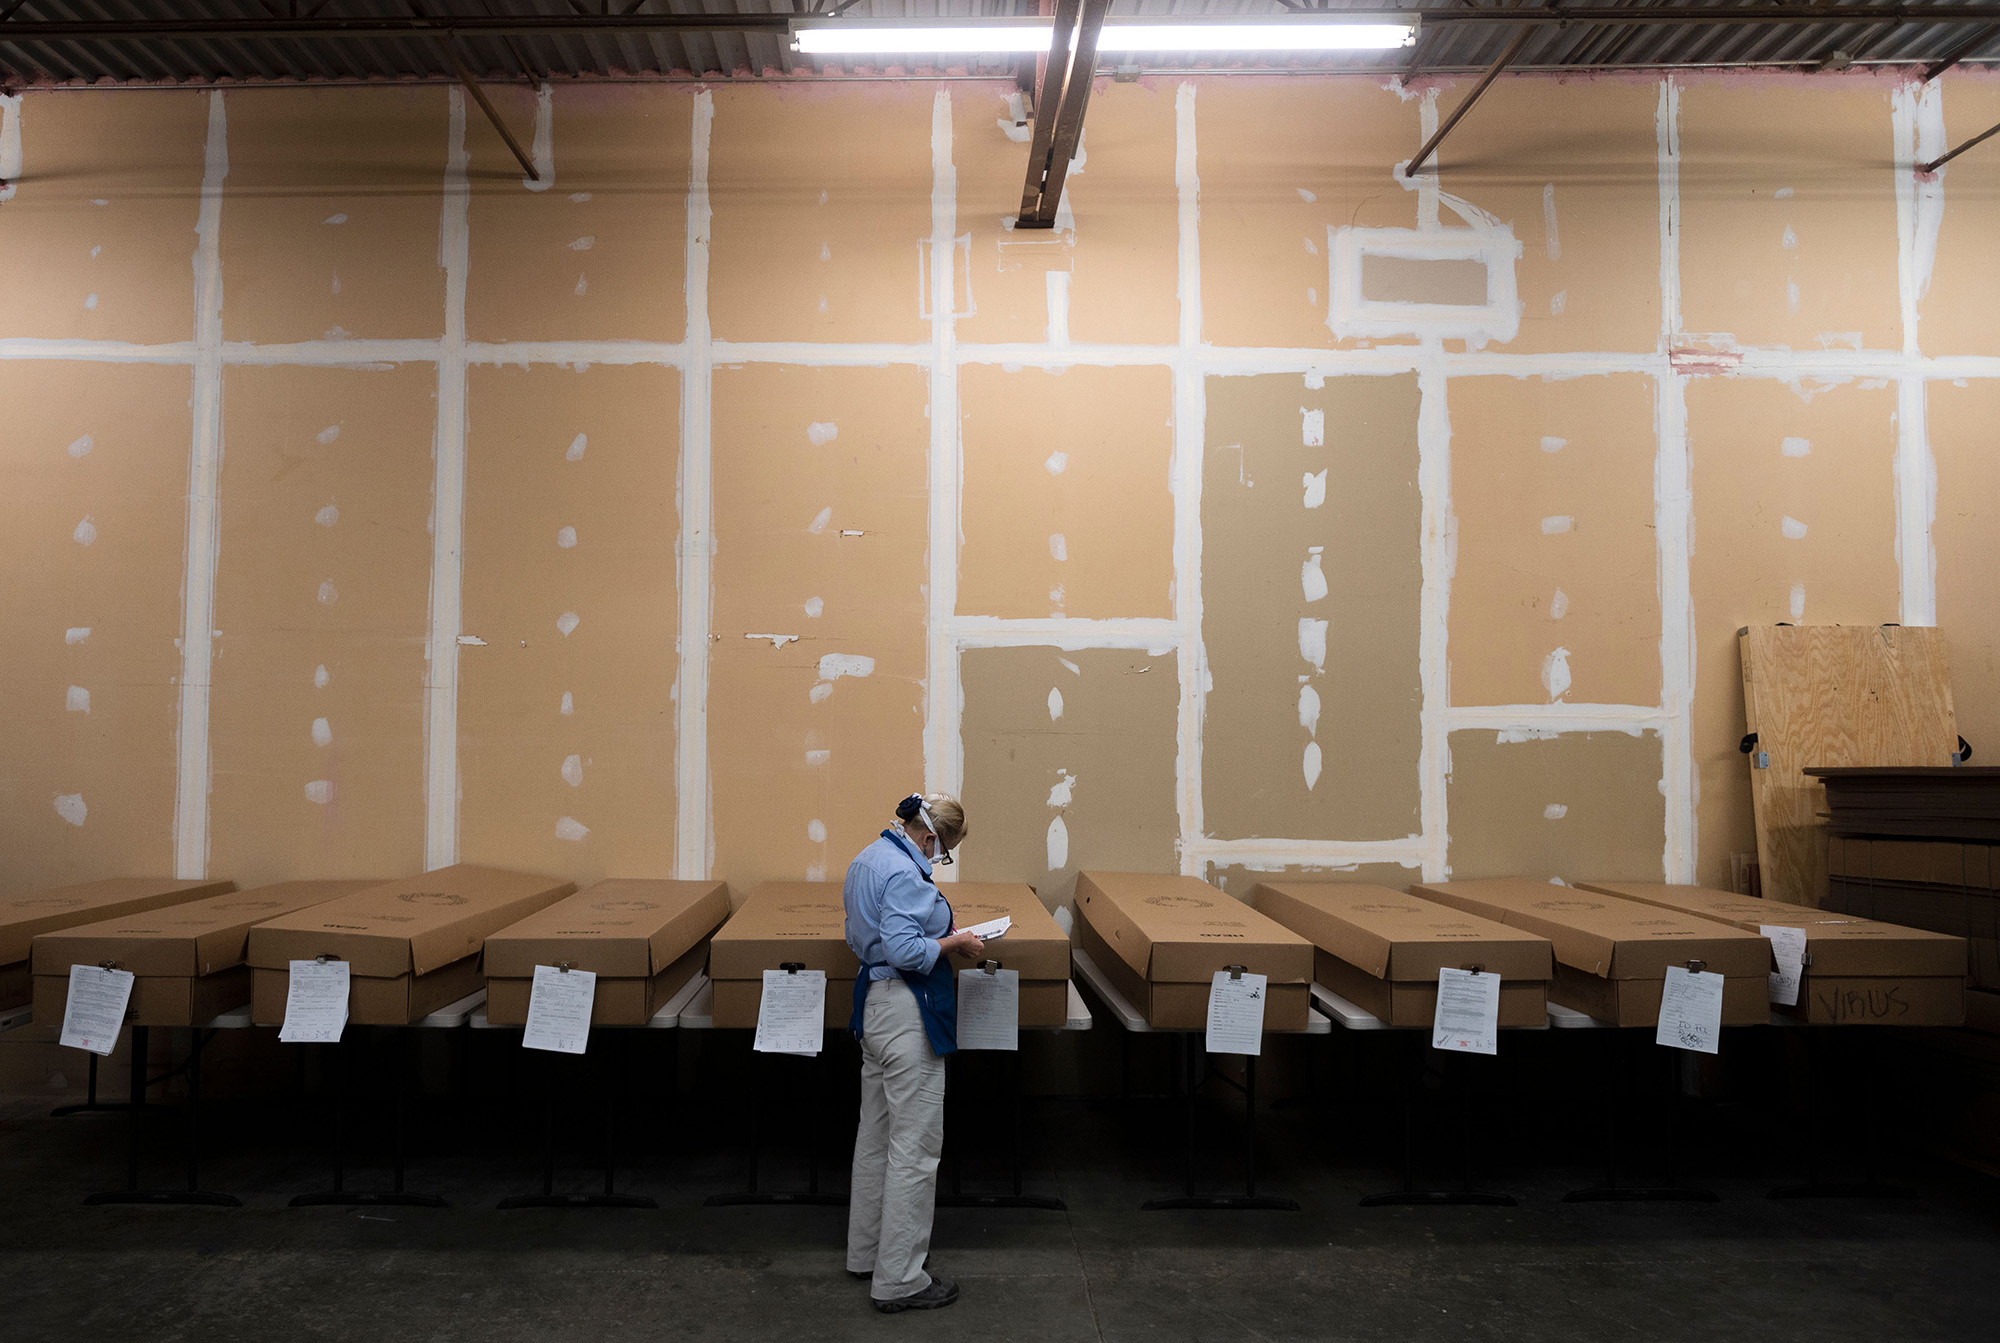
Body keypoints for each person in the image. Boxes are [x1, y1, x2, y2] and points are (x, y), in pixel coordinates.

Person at [842, 792, 981, 1313]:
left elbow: (864, 936)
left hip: (874, 1008)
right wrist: (956, 942)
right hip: (906, 1012)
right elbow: (906, 951)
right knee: (915, 1149)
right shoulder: (904, 873)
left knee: (875, 1136)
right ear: (928, 838)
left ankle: (866, 1252)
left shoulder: (866, 859)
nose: (936, 860)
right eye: (941, 851)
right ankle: (900, 1278)